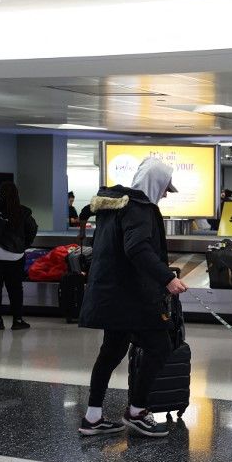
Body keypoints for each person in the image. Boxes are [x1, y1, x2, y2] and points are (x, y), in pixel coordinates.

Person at [78, 157, 188, 437]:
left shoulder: (113, 206)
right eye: (165, 188)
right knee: (160, 346)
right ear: (156, 183)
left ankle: (93, 417)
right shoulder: (139, 208)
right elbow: (136, 248)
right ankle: (137, 411)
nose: (165, 194)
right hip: (131, 297)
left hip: (110, 294)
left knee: (111, 351)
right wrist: (168, 278)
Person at [0, 182, 38, 331]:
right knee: (15, 289)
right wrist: (24, 245)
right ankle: (18, 320)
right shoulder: (23, 211)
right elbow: (32, 229)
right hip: (15, 256)